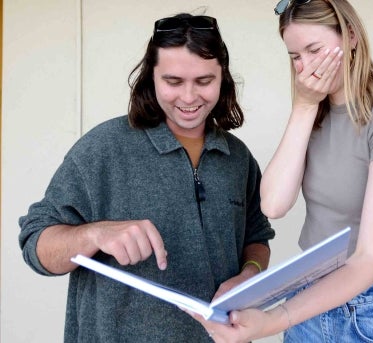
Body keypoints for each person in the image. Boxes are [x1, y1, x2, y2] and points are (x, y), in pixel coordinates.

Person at [18, 13, 275, 343]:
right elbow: (35, 247)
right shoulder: (102, 148)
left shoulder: (237, 157)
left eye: (204, 81)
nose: (188, 97)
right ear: (150, 78)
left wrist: (249, 275)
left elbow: (257, 238)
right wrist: (94, 234)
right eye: (173, 82)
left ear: (222, 78)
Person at [188, 1, 373, 342]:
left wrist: (273, 321)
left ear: (351, 36)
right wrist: (303, 105)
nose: (305, 67)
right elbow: (272, 205)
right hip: (309, 306)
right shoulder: (313, 116)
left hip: (370, 312)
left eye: (314, 50)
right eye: (294, 56)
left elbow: (370, 258)